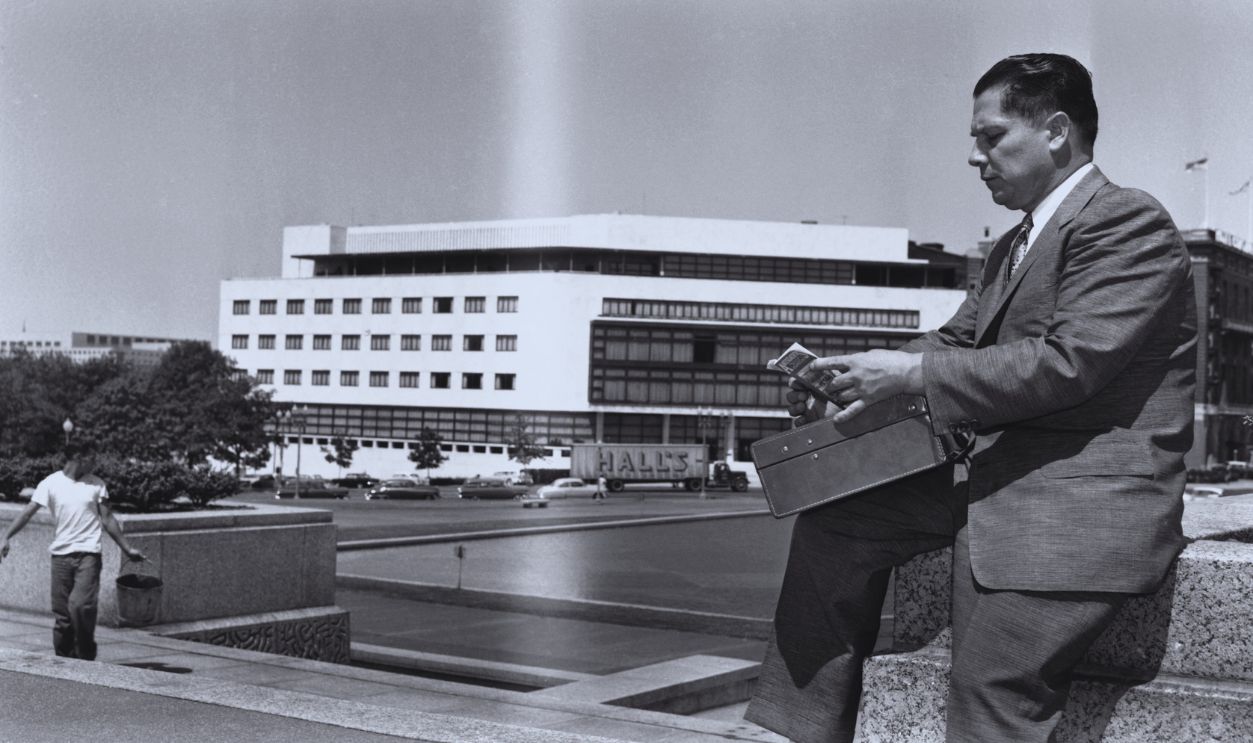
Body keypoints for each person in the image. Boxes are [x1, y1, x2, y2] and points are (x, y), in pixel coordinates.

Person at [745, 53, 1196, 743]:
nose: (974, 157)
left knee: (989, 684)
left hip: (1077, 505)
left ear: (1053, 130)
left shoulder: (1125, 222)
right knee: (833, 515)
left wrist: (903, 379)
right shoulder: (1012, 245)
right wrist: (849, 375)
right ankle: (791, 729)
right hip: (1004, 477)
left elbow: (1067, 364)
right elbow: (953, 345)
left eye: (990, 138)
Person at [0, 444, 147, 660]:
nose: (95, 462)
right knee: (63, 616)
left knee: (80, 605)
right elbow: (28, 513)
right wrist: (6, 536)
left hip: (89, 554)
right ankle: (63, 661)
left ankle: (86, 655)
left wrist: (127, 548)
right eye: (92, 458)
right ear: (78, 457)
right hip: (60, 556)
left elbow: (107, 519)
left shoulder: (97, 484)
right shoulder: (51, 483)